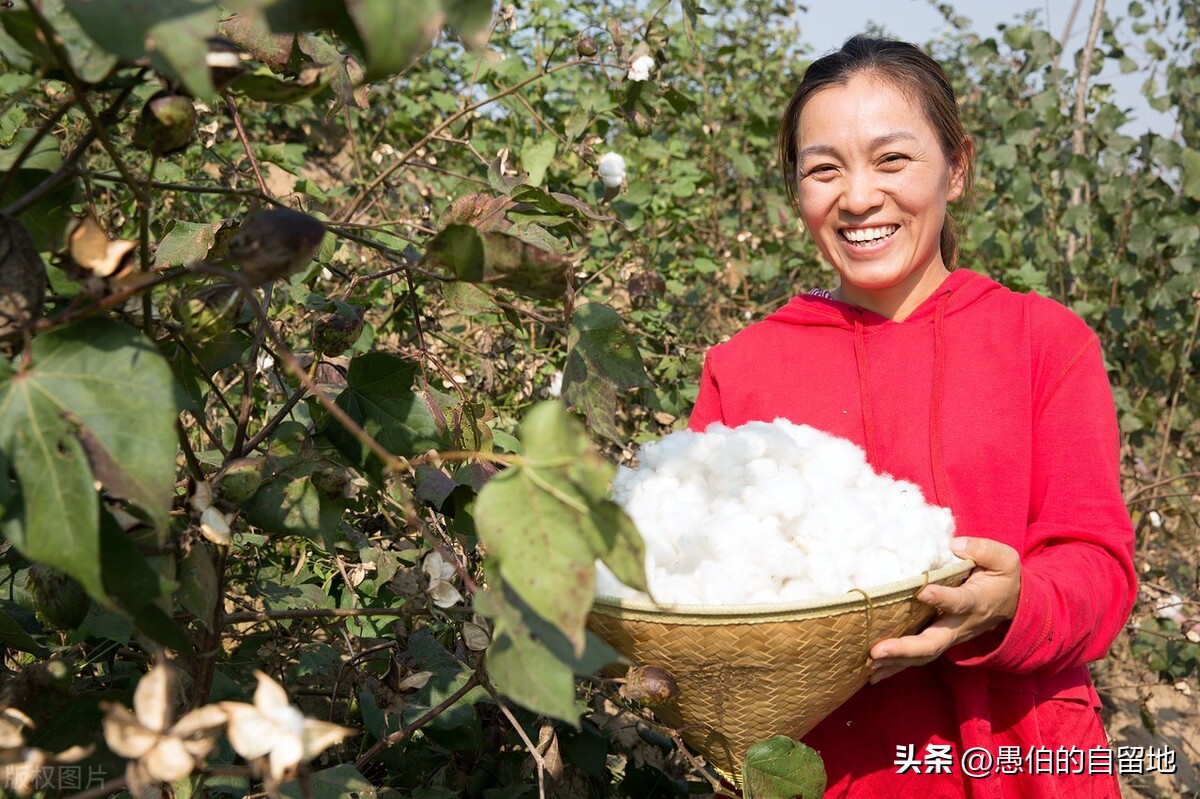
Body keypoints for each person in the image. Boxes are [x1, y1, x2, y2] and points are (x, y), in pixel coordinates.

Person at [687, 35, 1137, 798]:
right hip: (832, 773)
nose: (859, 197)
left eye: (891, 160)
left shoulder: (1044, 342)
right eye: (824, 169)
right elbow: (698, 593)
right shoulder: (743, 369)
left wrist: (1013, 602)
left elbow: (1101, 570)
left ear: (956, 166)